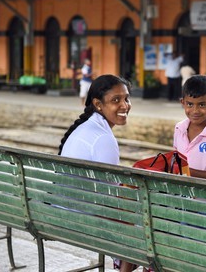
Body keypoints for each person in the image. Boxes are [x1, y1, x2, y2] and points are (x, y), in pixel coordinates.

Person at [58, 74, 136, 272]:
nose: (125, 105)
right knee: (142, 223)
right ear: (98, 104)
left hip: (62, 211)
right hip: (81, 218)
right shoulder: (102, 138)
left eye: (126, 98)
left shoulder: (86, 127)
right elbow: (111, 197)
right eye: (115, 100)